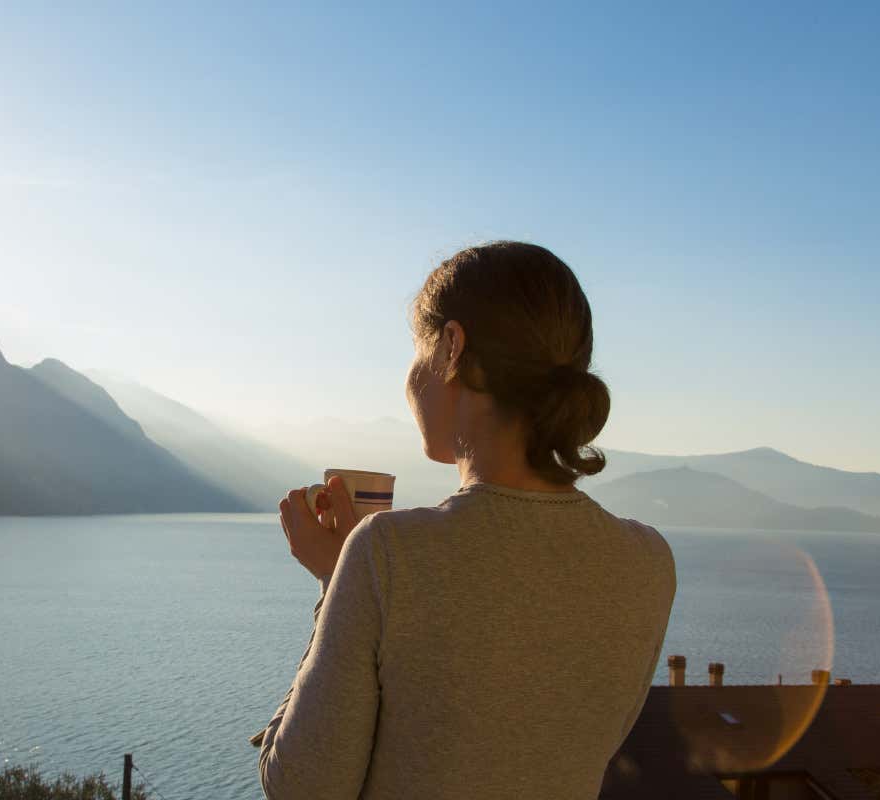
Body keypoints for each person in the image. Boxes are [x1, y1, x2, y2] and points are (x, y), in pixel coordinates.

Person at [254, 241, 677, 799]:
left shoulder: (387, 553)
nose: (409, 378)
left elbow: (302, 787)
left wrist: (337, 584)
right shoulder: (648, 562)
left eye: (417, 350)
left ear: (453, 347)